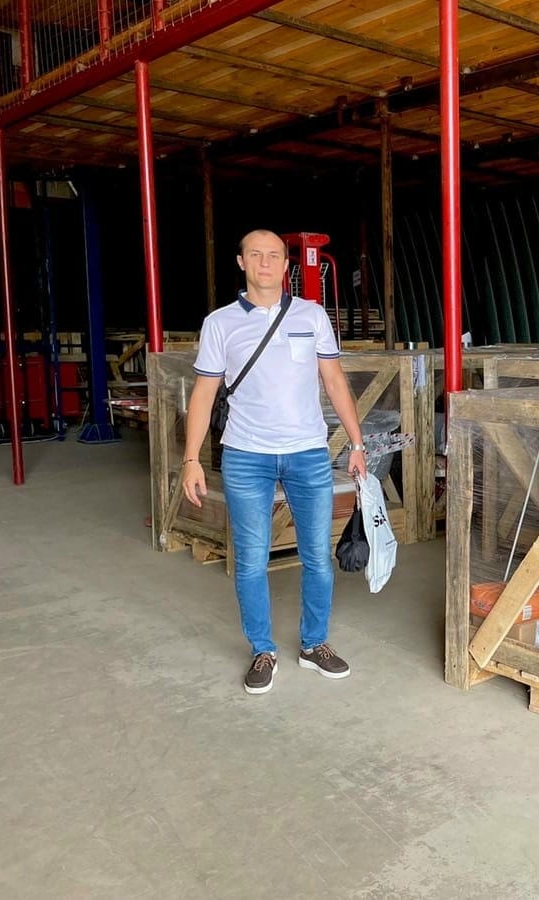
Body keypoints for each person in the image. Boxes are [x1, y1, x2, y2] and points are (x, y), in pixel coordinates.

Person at [181, 229, 367, 695]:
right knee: (250, 559)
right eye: (255, 255)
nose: (265, 262)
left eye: (274, 256)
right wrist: (191, 459)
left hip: (308, 453)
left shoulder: (312, 315)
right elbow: (203, 393)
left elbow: (335, 381)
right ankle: (262, 650)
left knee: (317, 557)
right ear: (241, 262)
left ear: (286, 265)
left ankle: (314, 644)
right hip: (246, 456)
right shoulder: (220, 323)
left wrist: (357, 444)